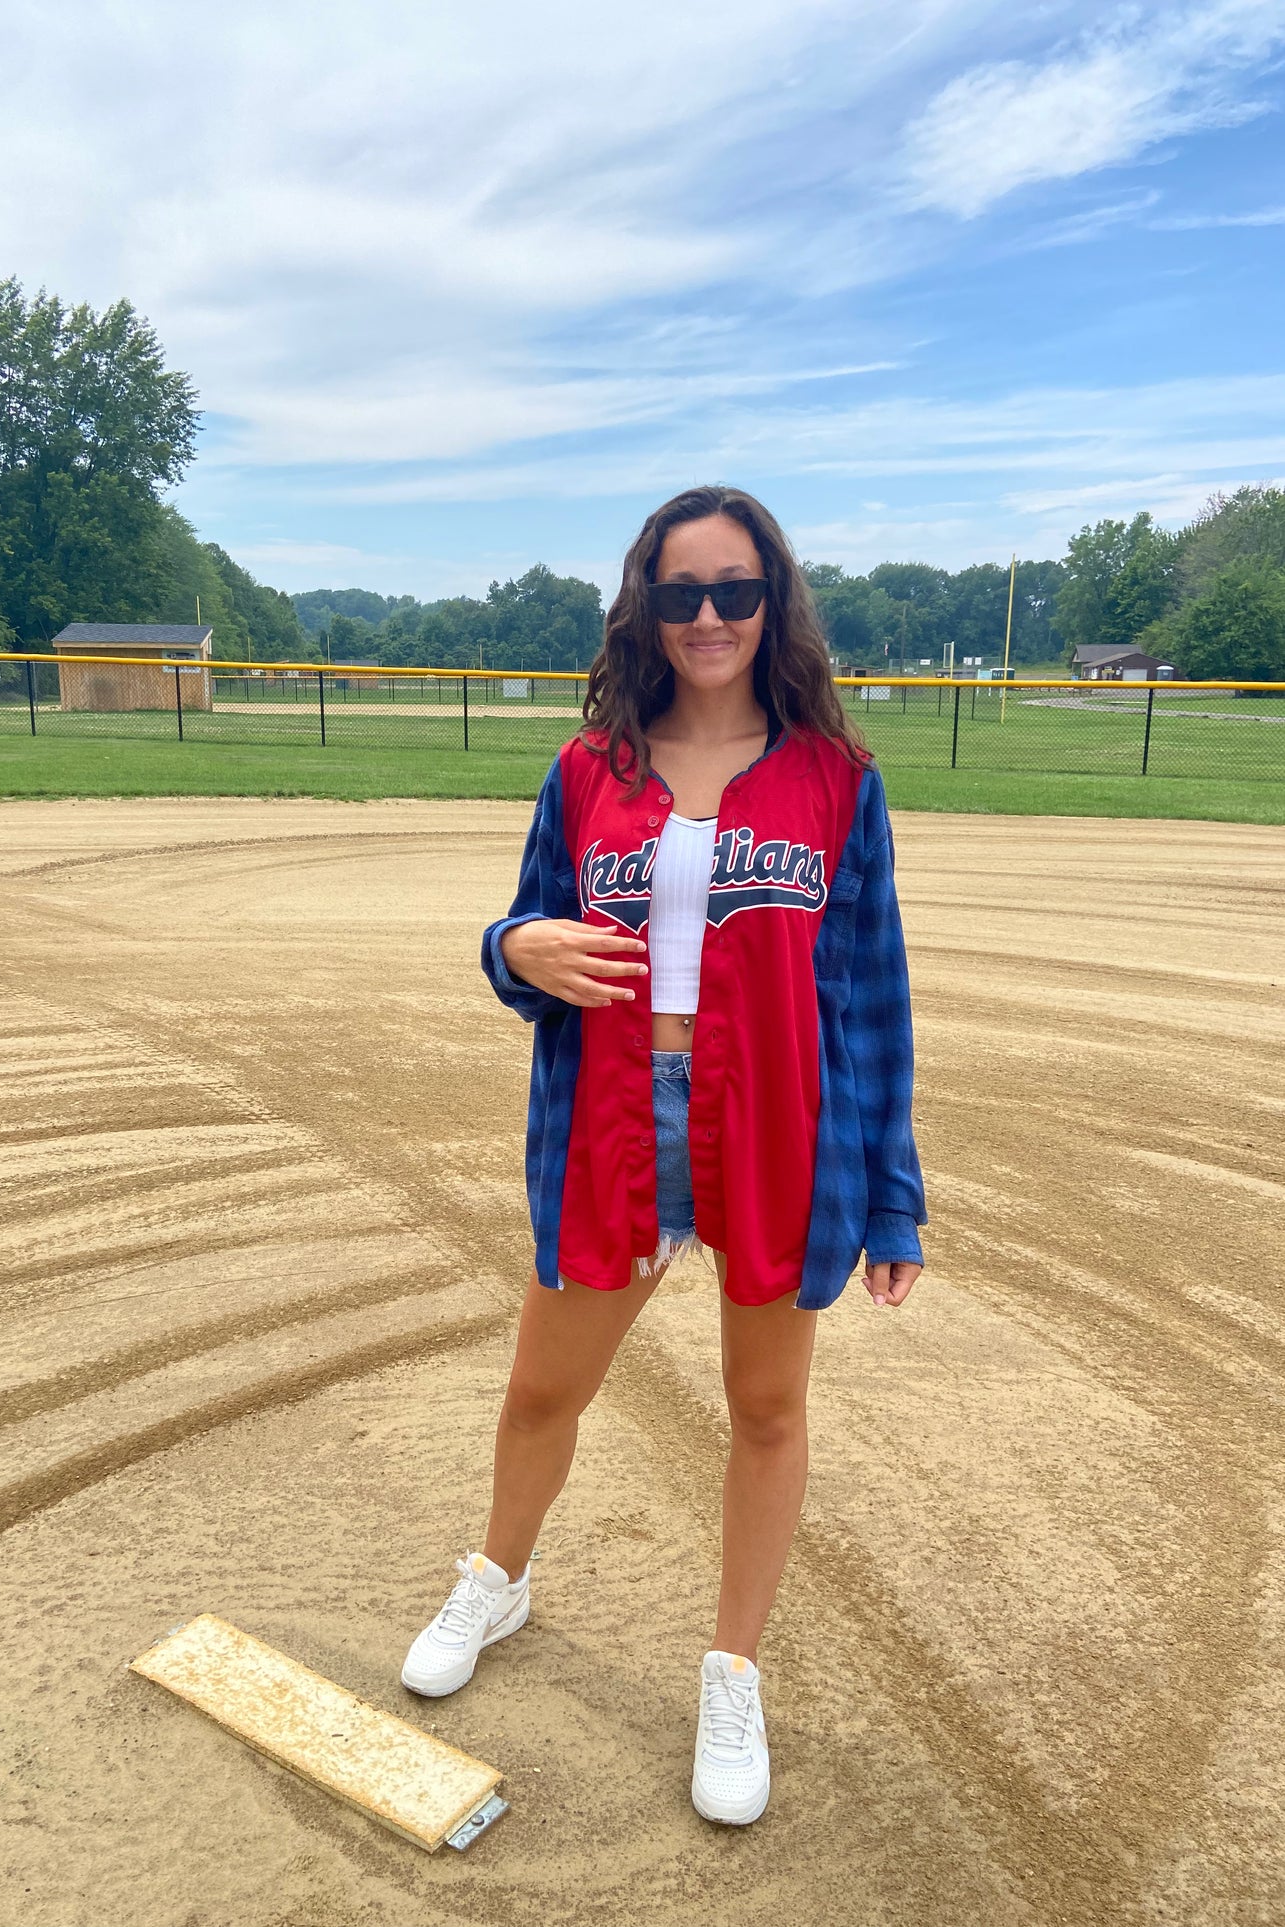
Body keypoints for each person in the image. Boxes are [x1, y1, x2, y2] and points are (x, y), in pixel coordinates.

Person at [400, 484, 926, 1827]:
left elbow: (866, 991)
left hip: (774, 1126)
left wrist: (891, 1197)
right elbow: (526, 932)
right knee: (539, 1391)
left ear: (772, 602)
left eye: (734, 591)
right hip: (617, 1114)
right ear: (643, 604)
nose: (706, 617)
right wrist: (504, 948)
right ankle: (499, 1577)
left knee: (764, 1411)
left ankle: (729, 1671)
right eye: (679, 591)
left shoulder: (833, 780)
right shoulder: (589, 770)